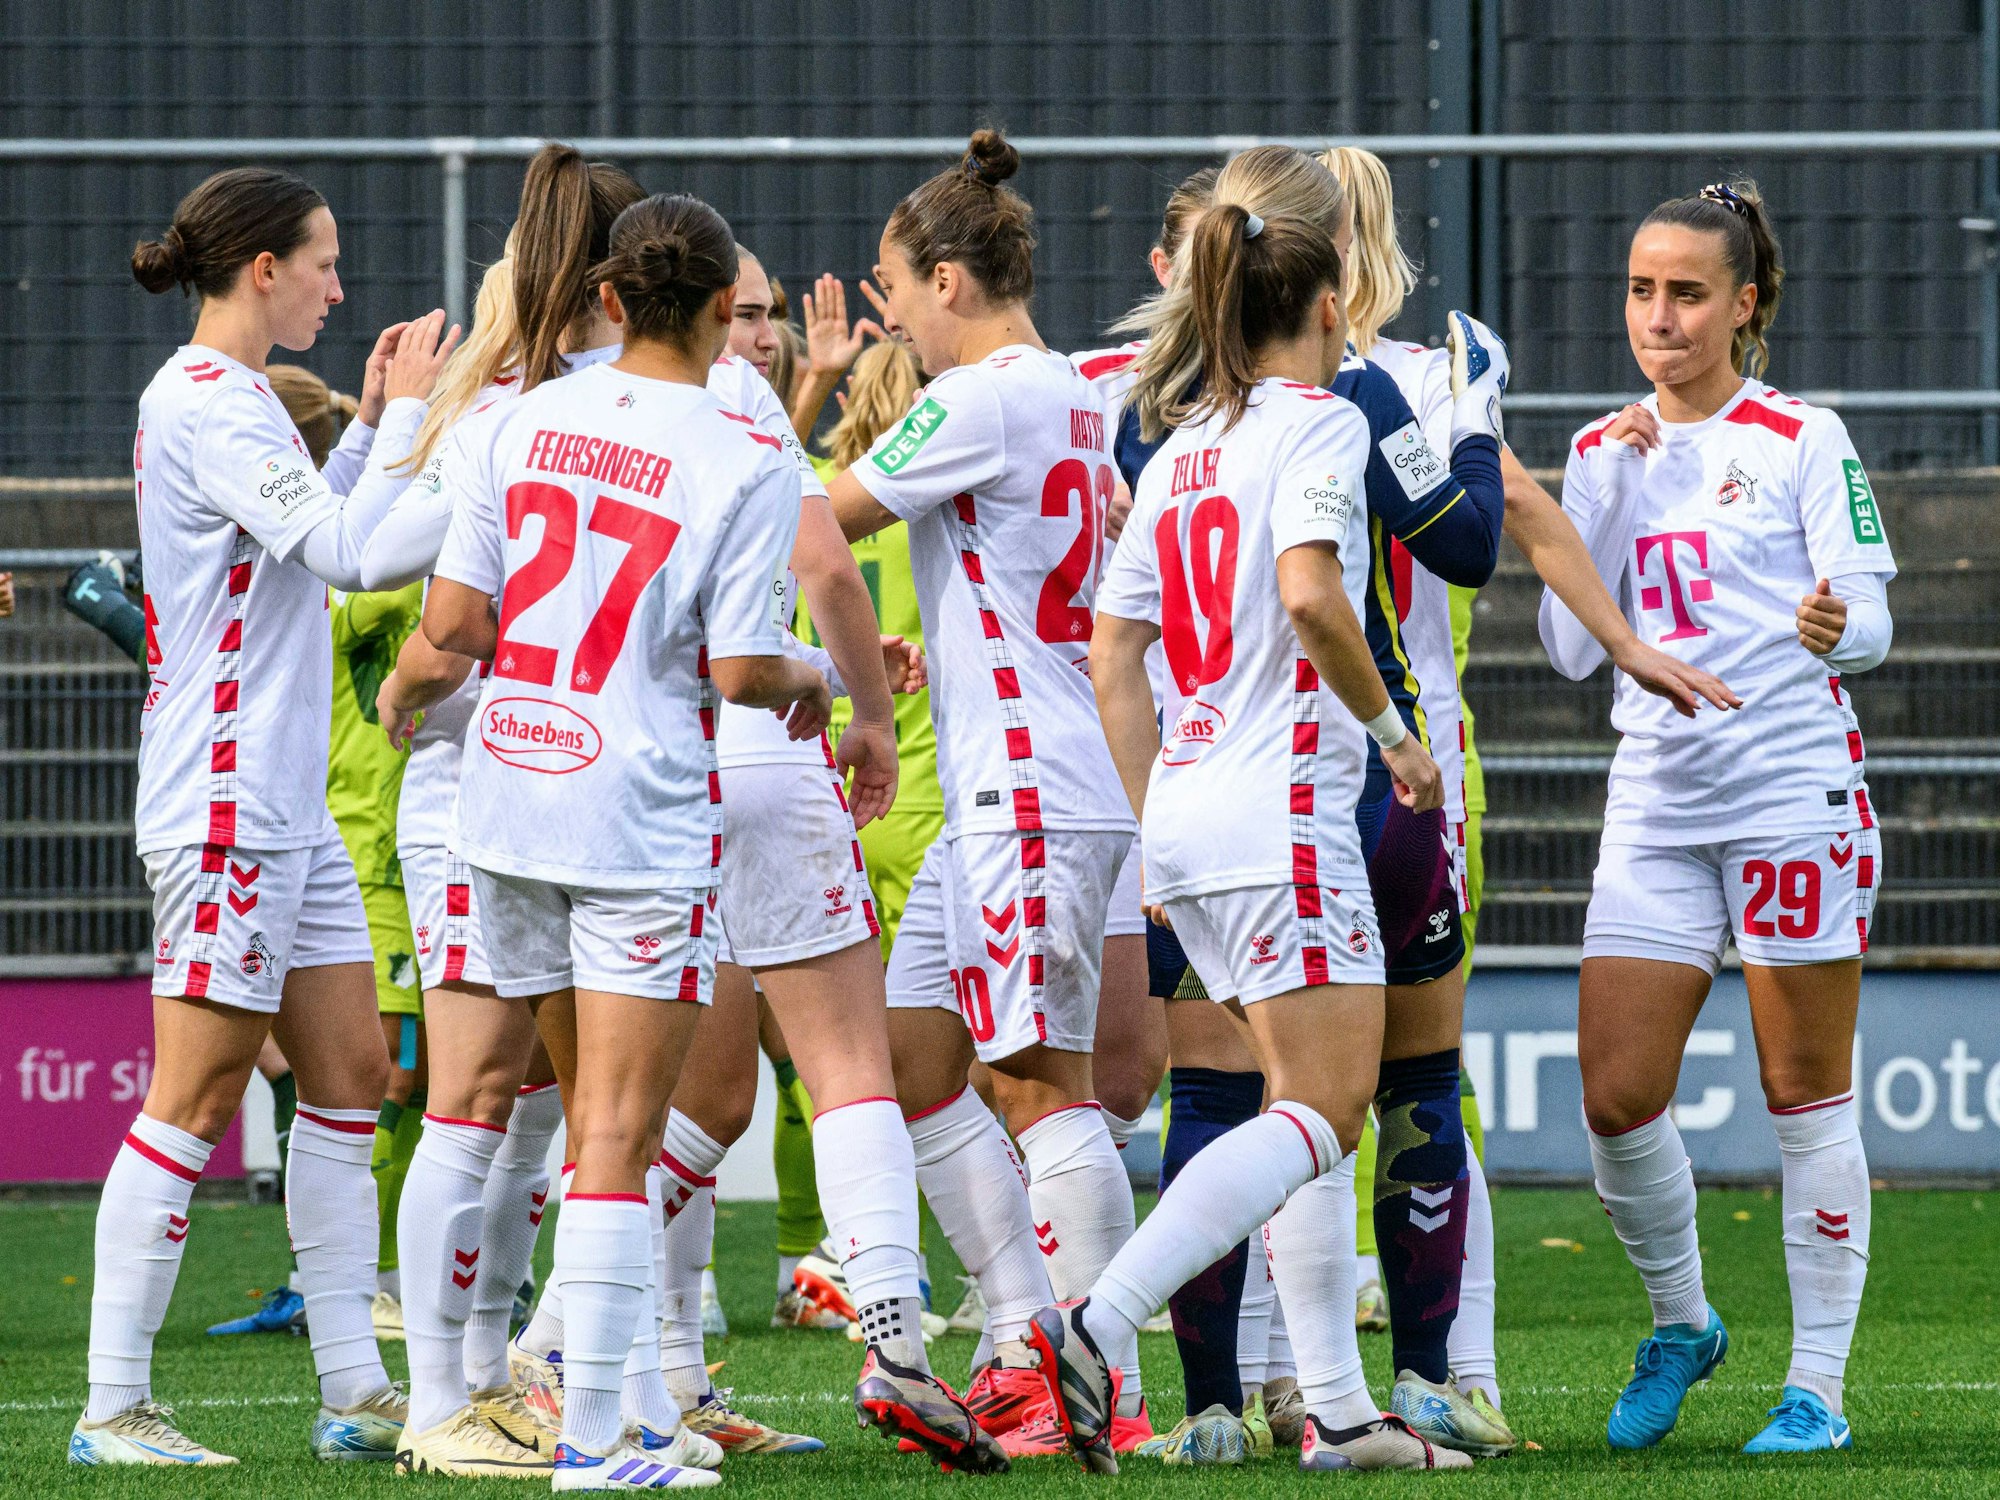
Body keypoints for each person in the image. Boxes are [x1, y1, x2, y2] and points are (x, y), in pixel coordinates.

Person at [1030, 146, 1466, 1476]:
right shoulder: (1322, 422)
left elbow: (1112, 655)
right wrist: (1397, 739)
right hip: (1284, 809)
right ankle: (1097, 1325)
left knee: (1290, 1107)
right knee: (1327, 1110)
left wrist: (1156, 811)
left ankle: (1335, 1414)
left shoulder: (1179, 451)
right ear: (1331, 308)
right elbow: (1317, 595)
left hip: (1189, 809)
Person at [72, 165, 456, 1467]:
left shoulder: (228, 403)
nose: (340, 290)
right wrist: (458, 462)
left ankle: (355, 1390)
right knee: (191, 1099)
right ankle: (113, 1407)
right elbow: (349, 555)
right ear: (261, 271)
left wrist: (379, 430)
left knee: (353, 1082)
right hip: (228, 805)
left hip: (280, 808)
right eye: (325, 264)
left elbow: (311, 527)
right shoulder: (210, 401)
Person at [1545, 181, 1889, 1457]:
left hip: (1788, 799)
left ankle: (1815, 1390)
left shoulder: (1802, 435)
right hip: (1653, 804)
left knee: (1804, 1096)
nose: (1658, 316)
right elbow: (1570, 655)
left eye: (1686, 294)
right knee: (1614, 1095)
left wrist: (1836, 625)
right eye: (1640, 290)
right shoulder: (1597, 452)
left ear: (1743, 305)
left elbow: (1870, 614)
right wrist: (1608, 499)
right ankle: (1683, 1324)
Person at [822, 129, 1148, 1459]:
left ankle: (1097, 1375)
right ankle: (1024, 1333)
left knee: (1035, 1082)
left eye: (895, 286)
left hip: (1026, 790)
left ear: (949, 280)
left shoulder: (980, 397)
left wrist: (724, 447)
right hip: (1012, 791)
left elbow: (819, 522)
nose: (888, 313)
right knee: (914, 1060)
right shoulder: (1070, 391)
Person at [367, 144, 646, 1479]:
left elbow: (424, 611)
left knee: (548, 1093)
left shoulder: (514, 416)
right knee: (481, 1088)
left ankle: (501, 1375)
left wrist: (414, 686)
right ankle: (443, 1400)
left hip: (539, 786)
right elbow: (402, 588)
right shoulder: (505, 419)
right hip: (490, 792)